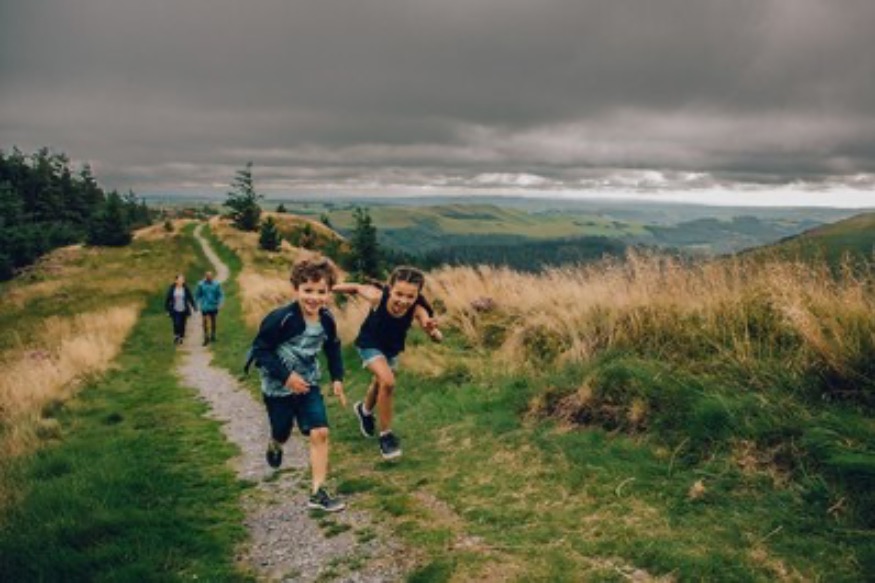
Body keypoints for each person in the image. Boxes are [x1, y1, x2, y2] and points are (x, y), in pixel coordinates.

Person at [249, 256, 347, 512]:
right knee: (282, 430)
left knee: (320, 432)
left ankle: (318, 492)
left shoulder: (327, 319)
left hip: (308, 384)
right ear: (296, 290)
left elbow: (333, 347)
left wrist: (337, 378)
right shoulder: (280, 319)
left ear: (329, 293)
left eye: (321, 292)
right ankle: (275, 443)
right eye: (308, 290)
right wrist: (286, 377)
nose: (314, 298)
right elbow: (260, 350)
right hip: (277, 387)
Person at [333, 266, 442, 460]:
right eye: (399, 294)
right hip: (369, 344)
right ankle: (386, 436)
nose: (403, 301)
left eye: (410, 296)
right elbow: (356, 287)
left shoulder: (417, 309)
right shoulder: (377, 297)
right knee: (388, 382)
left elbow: (435, 335)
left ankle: (364, 411)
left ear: (417, 295)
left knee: (380, 383)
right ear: (390, 289)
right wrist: (328, 289)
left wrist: (432, 331)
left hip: (391, 350)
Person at [164, 274, 197, 346]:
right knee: (176, 323)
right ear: (176, 281)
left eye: (182, 280)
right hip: (175, 309)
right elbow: (167, 299)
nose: (181, 281)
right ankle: (176, 336)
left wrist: (194, 306)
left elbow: (190, 297)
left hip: (183, 309)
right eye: (179, 280)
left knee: (182, 324)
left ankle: (181, 337)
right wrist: (167, 310)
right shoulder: (172, 289)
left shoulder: (185, 289)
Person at [195, 270, 224, 345]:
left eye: (210, 276)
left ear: (212, 277)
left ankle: (213, 335)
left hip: (213, 306)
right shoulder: (201, 284)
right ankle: (206, 337)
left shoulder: (216, 284)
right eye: (207, 276)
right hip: (205, 306)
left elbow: (220, 294)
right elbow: (197, 294)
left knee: (213, 321)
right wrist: (198, 302)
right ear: (205, 277)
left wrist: (220, 303)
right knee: (205, 321)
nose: (209, 277)